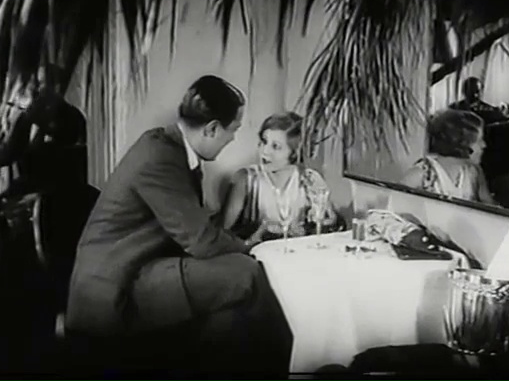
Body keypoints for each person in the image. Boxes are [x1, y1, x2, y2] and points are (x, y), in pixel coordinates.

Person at [65, 75, 292, 373]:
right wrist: (249, 245)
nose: (233, 139)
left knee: (228, 312)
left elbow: (192, 228)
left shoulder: (168, 147)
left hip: (140, 268)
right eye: (233, 130)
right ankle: (283, 366)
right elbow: (201, 241)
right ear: (212, 129)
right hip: (115, 288)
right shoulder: (161, 157)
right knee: (247, 272)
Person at [220, 112, 338, 241]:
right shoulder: (246, 179)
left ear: (295, 152)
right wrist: (259, 234)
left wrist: (317, 223)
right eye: (264, 142)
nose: (265, 151)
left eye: (275, 146)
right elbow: (222, 234)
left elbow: (330, 222)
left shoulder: (310, 179)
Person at [401, 109, 496, 204]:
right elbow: (396, 203)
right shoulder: (423, 173)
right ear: (461, 143)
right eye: (479, 141)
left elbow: (490, 207)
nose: (484, 145)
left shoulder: (474, 173)